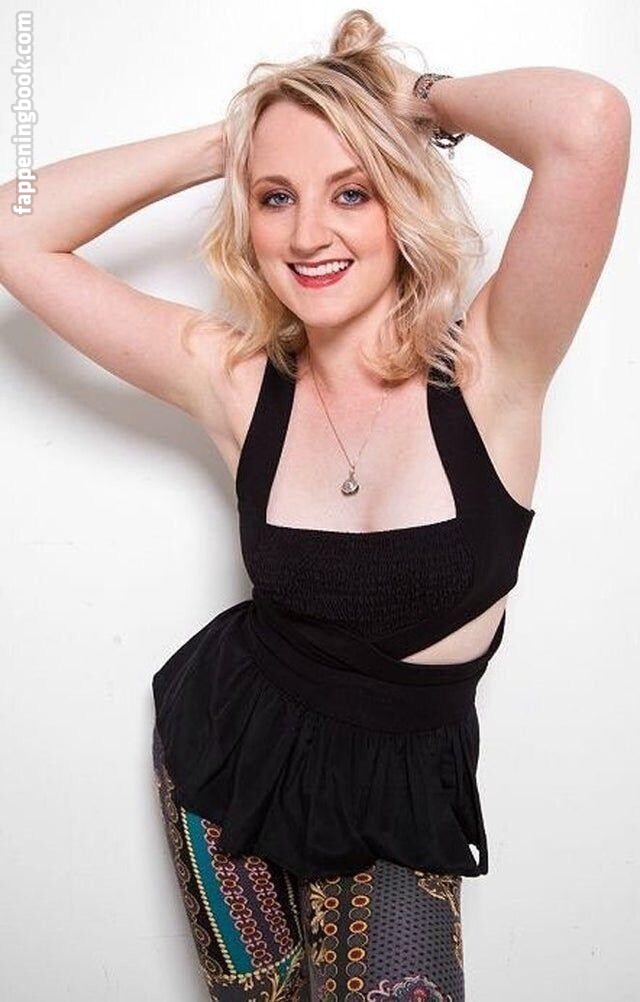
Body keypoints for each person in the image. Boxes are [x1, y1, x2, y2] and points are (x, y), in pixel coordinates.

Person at [0, 8, 630, 1001]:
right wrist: (241, 135)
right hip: (225, 752)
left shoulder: (492, 369)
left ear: (399, 200)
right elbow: (15, 229)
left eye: (350, 190)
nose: (307, 234)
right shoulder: (236, 381)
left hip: (399, 790)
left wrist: (408, 100)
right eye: (275, 197)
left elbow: (589, 122)